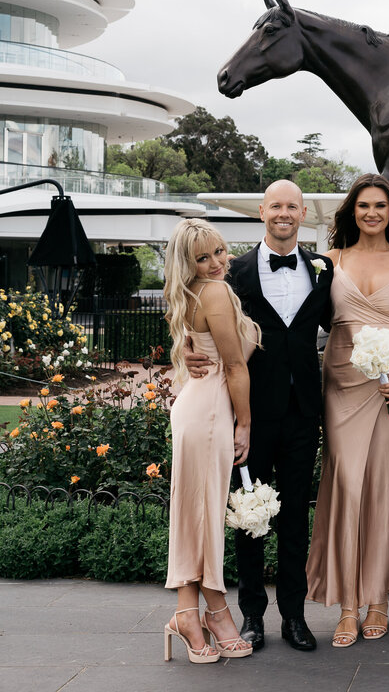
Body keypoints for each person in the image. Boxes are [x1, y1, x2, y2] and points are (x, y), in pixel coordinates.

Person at [185, 180, 333, 652]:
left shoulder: (324, 269)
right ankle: (251, 616)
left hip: (304, 412)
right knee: (248, 516)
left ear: (303, 212)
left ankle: (295, 616)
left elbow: (344, 325)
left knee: (294, 519)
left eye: (292, 206)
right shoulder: (232, 273)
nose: (284, 213)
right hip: (246, 414)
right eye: (275, 206)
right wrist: (186, 350)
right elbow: (188, 314)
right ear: (262, 212)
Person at [305, 174, 389, 647]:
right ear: (351, 212)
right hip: (340, 386)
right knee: (347, 486)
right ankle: (348, 605)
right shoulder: (327, 262)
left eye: (380, 205)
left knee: (381, 484)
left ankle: (377, 599)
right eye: (363, 206)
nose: (372, 213)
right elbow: (294, 319)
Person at [163, 219, 260, 664]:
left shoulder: (195, 294)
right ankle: (215, 612)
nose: (217, 263)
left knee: (196, 511)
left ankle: (188, 612)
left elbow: (217, 348)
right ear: (188, 264)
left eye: (220, 251)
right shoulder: (216, 292)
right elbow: (236, 367)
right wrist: (245, 423)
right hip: (211, 412)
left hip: (197, 405)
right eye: (202, 258)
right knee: (202, 514)